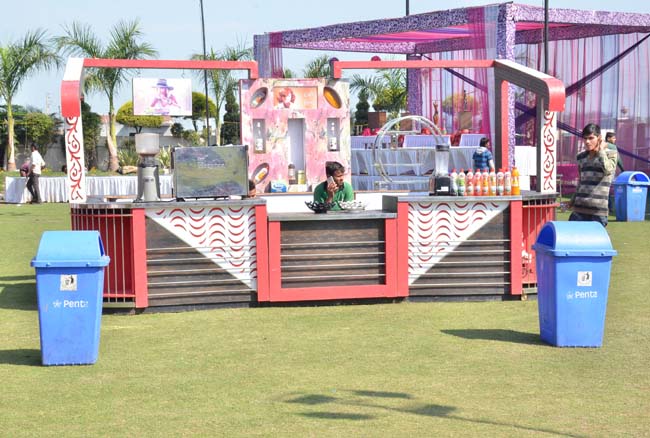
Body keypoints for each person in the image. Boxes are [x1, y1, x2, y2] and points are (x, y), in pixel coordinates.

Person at [568, 123, 618, 227]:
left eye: (591, 138)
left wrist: (601, 151)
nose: (587, 141)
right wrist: (572, 200)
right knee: (573, 236)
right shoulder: (581, 156)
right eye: (585, 138)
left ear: (599, 138)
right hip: (579, 209)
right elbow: (581, 181)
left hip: (598, 212)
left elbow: (608, 170)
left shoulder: (611, 154)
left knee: (596, 238)